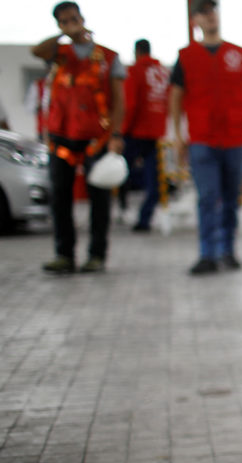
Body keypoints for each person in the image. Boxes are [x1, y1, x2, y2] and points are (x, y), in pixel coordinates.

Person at [170, 0, 242, 275]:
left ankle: (228, 250)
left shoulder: (238, 54)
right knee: (208, 196)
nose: (210, 16)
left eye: (213, 10)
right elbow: (175, 97)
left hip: (235, 139)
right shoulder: (186, 56)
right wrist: (177, 134)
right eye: (204, 12)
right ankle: (207, 254)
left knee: (232, 197)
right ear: (195, 20)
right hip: (201, 139)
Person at [31, 1, 125, 275]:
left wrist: (116, 135)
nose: (71, 23)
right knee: (60, 197)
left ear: (82, 17)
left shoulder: (108, 57)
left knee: (100, 198)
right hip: (61, 138)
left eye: (74, 18)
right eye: (64, 21)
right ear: (59, 25)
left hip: (97, 138)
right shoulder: (56, 52)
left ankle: (96, 255)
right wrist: (64, 35)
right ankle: (64, 254)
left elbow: (119, 101)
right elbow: (36, 51)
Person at [120, 39, 169, 233]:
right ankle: (144, 219)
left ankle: (123, 209)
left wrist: (121, 131)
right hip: (155, 133)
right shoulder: (163, 72)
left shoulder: (134, 71)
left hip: (134, 132)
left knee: (120, 172)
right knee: (153, 179)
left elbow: (130, 104)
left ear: (136, 52)